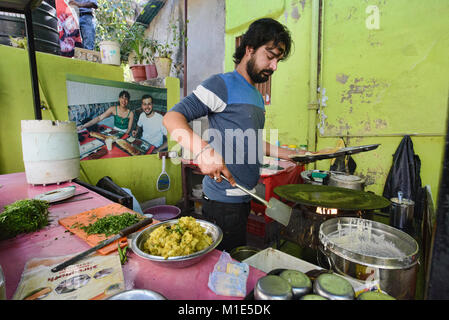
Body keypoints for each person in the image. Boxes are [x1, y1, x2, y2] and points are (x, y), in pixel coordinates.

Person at [163, 18, 303, 252]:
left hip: (245, 197)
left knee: (235, 258)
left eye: (278, 59)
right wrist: (203, 151)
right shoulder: (222, 84)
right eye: (270, 56)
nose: (274, 66)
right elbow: (172, 118)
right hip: (221, 203)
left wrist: (289, 154)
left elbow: (251, 140)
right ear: (249, 49)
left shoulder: (256, 96)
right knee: (222, 265)